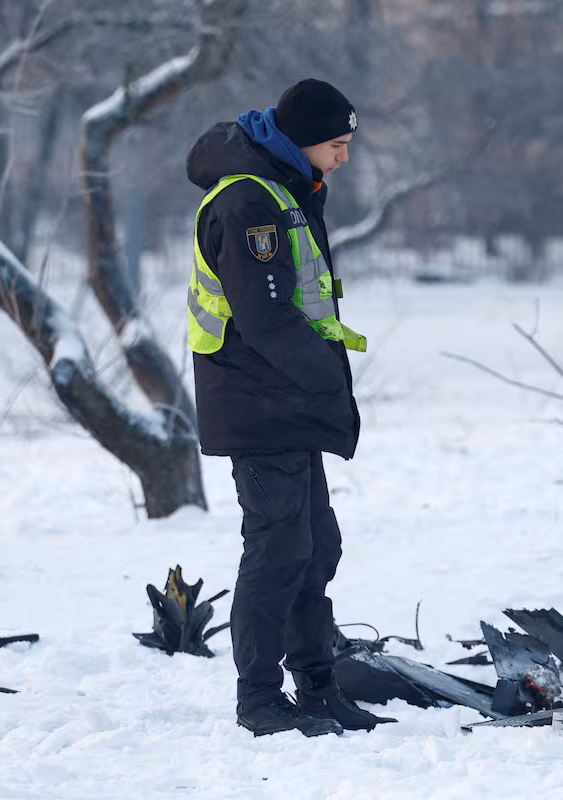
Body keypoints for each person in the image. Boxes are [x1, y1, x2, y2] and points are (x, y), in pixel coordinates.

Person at [186, 79, 392, 737]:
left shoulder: (285, 187)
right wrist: (330, 384)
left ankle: (319, 688)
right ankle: (259, 700)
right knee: (278, 551)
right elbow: (268, 318)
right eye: (338, 144)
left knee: (315, 545)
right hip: (257, 403)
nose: (345, 156)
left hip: (288, 403)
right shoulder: (251, 201)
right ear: (303, 141)